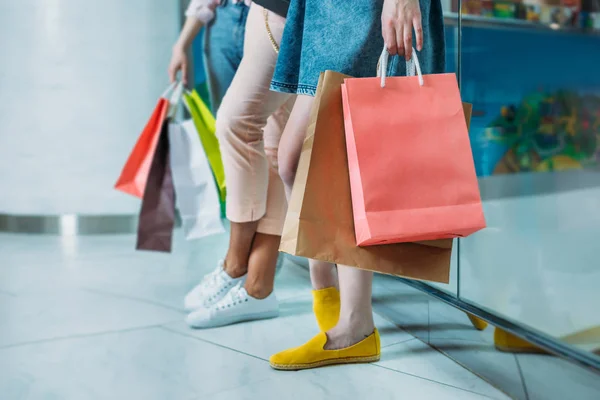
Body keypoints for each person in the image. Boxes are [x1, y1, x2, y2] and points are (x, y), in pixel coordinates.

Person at [266, 0, 447, 370]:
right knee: (309, 159)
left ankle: (352, 320)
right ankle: (337, 298)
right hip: (327, 10)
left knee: (326, 156)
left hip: (363, 10)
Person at [169, 0, 315, 330]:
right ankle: (259, 286)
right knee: (273, 144)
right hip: (257, 13)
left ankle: (235, 264)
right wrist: (185, 37)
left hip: (284, 12)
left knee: (237, 124)